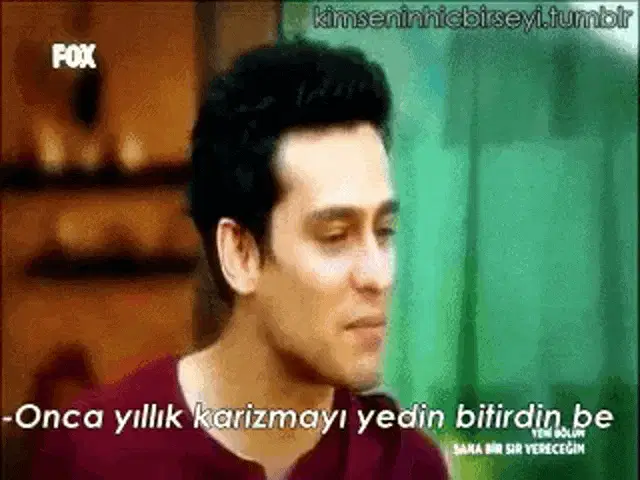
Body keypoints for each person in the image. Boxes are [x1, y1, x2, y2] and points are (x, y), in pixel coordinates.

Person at [31, 38, 449, 479]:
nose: (378, 274)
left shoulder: (406, 465)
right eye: (335, 236)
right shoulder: (94, 452)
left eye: (384, 232)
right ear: (240, 253)